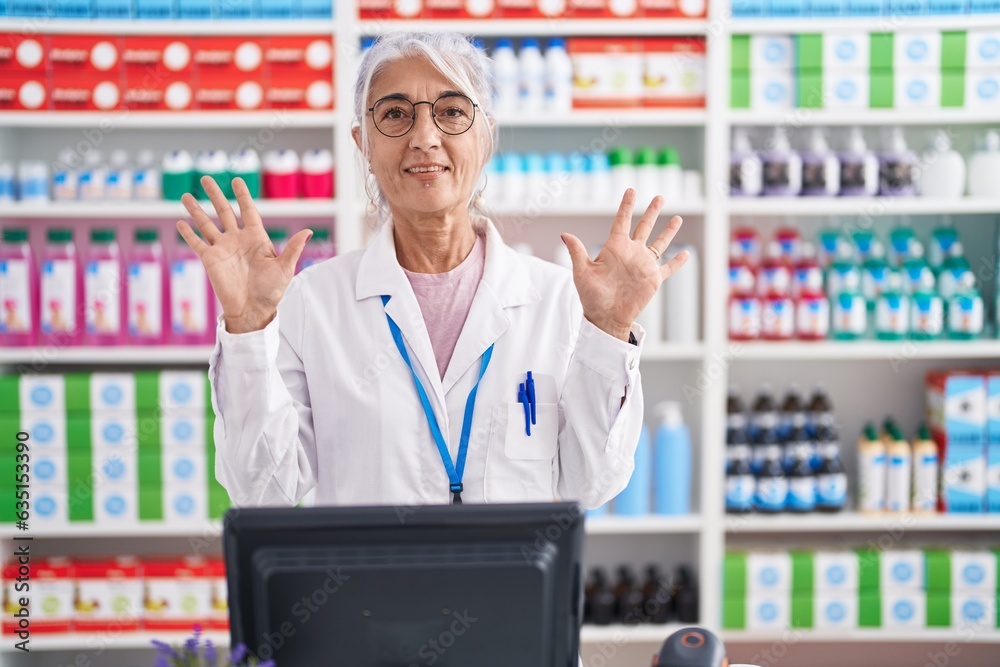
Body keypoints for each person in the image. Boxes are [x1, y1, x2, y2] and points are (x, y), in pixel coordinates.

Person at [177, 32, 690, 511]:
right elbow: (262, 488)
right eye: (396, 114)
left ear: (486, 136)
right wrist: (247, 331)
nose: (424, 137)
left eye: (451, 112)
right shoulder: (312, 303)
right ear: (364, 145)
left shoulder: (559, 299)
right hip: (368, 602)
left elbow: (591, 483)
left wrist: (609, 331)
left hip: (510, 599)